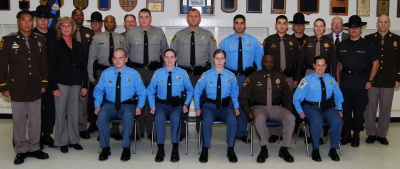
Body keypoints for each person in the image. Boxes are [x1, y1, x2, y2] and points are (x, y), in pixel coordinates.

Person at [0, 10, 49, 165]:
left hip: (35, 86)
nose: (27, 23)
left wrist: (44, 83)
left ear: (33, 22)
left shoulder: (40, 40)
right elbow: (2, 66)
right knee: (19, 121)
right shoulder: (8, 40)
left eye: (30, 20)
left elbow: (43, 64)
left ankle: (34, 147)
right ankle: (21, 150)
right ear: (18, 22)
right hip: (17, 87)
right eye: (24, 20)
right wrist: (3, 86)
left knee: (36, 119)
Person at [239, 54, 295, 163]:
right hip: (259, 107)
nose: (269, 64)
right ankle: (263, 149)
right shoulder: (253, 77)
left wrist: (288, 109)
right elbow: (242, 97)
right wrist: (248, 111)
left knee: (291, 118)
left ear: (274, 63)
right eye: (266, 61)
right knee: (259, 119)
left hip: (276, 108)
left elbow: (288, 95)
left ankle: (284, 149)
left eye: (271, 62)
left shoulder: (280, 77)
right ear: (261, 63)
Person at [123, 8, 169, 140]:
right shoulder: (131, 33)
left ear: (151, 18)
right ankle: (138, 130)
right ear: (138, 19)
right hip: (136, 72)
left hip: (154, 72)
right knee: (137, 100)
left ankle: (150, 130)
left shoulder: (159, 32)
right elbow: (125, 53)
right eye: (141, 17)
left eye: (146, 17)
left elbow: (165, 54)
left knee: (152, 101)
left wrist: (165, 73)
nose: (144, 20)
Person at [170, 8, 217, 135]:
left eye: (196, 16)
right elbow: (171, 55)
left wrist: (213, 76)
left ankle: (200, 128)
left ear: (200, 18)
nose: (193, 18)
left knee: (201, 102)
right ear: (187, 18)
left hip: (201, 74)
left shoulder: (208, 35)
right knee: (182, 101)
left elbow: (214, 56)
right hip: (183, 74)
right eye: (191, 16)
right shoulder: (178, 35)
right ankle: (182, 129)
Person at [94, 48, 147, 161]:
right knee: (101, 116)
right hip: (109, 105)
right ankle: (105, 147)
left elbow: (142, 93)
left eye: (120, 58)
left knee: (128, 116)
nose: (118, 61)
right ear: (112, 60)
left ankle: (126, 147)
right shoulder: (106, 73)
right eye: (115, 58)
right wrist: (97, 105)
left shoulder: (133, 74)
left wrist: (139, 106)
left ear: (126, 59)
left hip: (127, 105)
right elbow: (98, 91)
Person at [219, 14, 263, 143]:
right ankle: (232, 132)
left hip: (246, 77)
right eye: (236, 23)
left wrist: (257, 78)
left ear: (245, 25)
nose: (239, 25)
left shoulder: (253, 41)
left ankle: (242, 132)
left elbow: (260, 61)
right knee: (231, 104)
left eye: (241, 23)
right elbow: (219, 61)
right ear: (233, 25)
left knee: (244, 104)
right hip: (230, 77)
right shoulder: (226, 42)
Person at [337, 15, 379, 147]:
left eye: (357, 28)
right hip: (345, 82)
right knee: (345, 110)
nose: (354, 30)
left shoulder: (368, 45)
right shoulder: (342, 45)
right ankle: (347, 134)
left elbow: (376, 63)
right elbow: (338, 64)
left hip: (361, 82)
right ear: (348, 29)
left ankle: (356, 135)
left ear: (361, 29)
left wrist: (370, 80)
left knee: (359, 111)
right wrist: (338, 80)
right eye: (351, 28)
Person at [293, 56, 344, 162]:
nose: (320, 68)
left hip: (327, 108)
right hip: (311, 108)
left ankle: (333, 149)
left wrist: (340, 109)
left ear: (326, 66)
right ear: (314, 65)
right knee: (317, 121)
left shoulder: (331, 80)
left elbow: (339, 96)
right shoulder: (306, 80)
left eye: (323, 65)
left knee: (338, 121)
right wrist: (300, 111)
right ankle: (315, 149)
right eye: (318, 65)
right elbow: (296, 99)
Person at [147, 49, 194, 162]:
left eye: (172, 57)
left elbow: (191, 90)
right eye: (166, 57)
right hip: (161, 105)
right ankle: (161, 149)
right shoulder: (158, 73)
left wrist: (186, 104)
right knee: (159, 118)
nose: (169, 60)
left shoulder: (182, 73)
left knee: (175, 118)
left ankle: (175, 148)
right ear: (163, 59)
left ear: (176, 58)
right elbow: (150, 91)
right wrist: (153, 106)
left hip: (177, 106)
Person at [49, 16, 87, 153]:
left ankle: (74, 140)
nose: (66, 28)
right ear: (59, 28)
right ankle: (61, 141)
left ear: (73, 28)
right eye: (63, 26)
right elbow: (50, 67)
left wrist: (84, 85)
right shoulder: (55, 44)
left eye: (68, 25)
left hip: (76, 83)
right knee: (61, 113)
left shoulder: (78, 45)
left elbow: (83, 66)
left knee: (73, 113)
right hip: (61, 84)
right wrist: (54, 87)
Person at [194, 49, 240, 163]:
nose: (219, 61)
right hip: (209, 107)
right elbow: (197, 92)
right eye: (217, 58)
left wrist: (236, 107)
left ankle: (230, 149)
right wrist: (197, 107)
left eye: (222, 58)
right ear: (213, 60)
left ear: (225, 60)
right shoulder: (206, 75)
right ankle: (205, 149)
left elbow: (234, 93)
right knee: (207, 121)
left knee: (233, 121)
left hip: (226, 107)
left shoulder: (231, 75)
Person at [263, 15, 301, 143]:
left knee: (288, 104)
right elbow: (264, 62)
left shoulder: (294, 41)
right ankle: (274, 133)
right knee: (273, 104)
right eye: (279, 23)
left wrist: (296, 79)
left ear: (287, 25)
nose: (282, 25)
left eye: (284, 23)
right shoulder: (268, 41)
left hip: (289, 78)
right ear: (275, 25)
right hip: (273, 78)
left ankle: (287, 132)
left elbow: (298, 63)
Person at [87, 15, 126, 140]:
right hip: (102, 73)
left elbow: (125, 58)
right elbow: (91, 59)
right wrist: (91, 77)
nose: (109, 24)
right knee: (102, 101)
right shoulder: (97, 38)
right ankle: (102, 131)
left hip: (117, 73)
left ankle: (115, 130)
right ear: (104, 24)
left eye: (112, 21)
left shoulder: (121, 38)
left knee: (116, 100)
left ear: (115, 23)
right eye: (107, 21)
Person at [364, 14, 400, 145]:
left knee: (385, 109)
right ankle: (371, 133)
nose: (383, 24)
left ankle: (382, 134)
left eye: (386, 22)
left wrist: (398, 78)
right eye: (381, 22)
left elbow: (398, 61)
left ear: (389, 24)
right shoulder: (369, 39)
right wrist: (367, 79)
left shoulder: (396, 39)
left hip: (388, 80)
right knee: (370, 109)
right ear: (377, 24)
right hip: (372, 80)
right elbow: (366, 61)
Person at [32, 4, 56, 149]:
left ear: (49, 20)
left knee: (50, 108)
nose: (43, 21)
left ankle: (47, 134)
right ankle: (37, 136)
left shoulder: (54, 34)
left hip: (52, 76)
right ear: (36, 20)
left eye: (45, 18)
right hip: (35, 77)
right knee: (36, 109)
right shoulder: (31, 34)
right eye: (40, 18)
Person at [71, 8, 94, 140]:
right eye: (76, 15)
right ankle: (71, 127)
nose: (79, 17)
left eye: (81, 15)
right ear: (72, 16)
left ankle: (82, 127)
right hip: (70, 71)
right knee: (70, 102)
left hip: (84, 71)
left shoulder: (89, 33)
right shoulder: (67, 31)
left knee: (83, 102)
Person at [86, 11, 104, 134]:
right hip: (88, 71)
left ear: (101, 24)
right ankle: (92, 123)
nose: (95, 25)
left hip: (100, 71)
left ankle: (102, 122)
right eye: (93, 22)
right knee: (91, 99)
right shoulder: (85, 36)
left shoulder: (105, 37)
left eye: (97, 22)